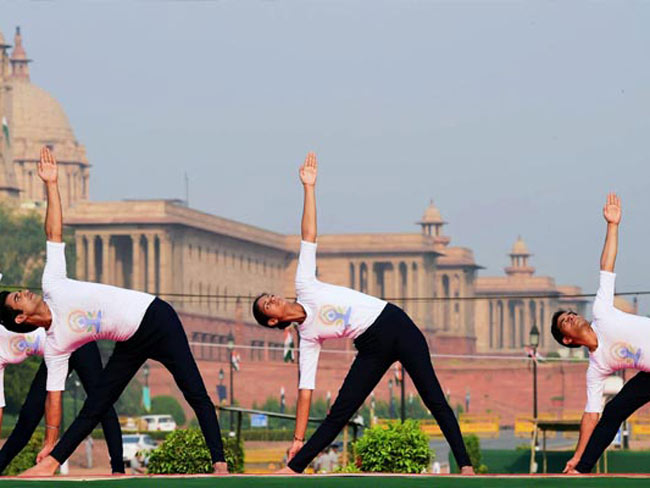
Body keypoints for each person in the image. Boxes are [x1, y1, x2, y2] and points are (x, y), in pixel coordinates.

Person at [3, 147, 227, 476]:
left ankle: (219, 463)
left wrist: (51, 184)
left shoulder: (53, 283)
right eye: (16, 300)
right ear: (20, 319)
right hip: (130, 341)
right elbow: (54, 398)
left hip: (156, 318)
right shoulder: (56, 345)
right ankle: (51, 464)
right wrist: (50, 441)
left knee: (194, 391)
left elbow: (53, 234)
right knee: (96, 404)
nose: (23, 293)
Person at [252, 152, 474, 475]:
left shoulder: (304, 284)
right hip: (370, 346)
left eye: (270, 296)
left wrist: (309, 188)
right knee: (339, 413)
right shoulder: (308, 338)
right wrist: (298, 437)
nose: (273, 299)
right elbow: (305, 391)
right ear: (273, 320)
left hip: (394, 323)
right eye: (267, 304)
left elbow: (309, 236)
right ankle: (294, 467)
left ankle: (465, 465)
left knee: (433, 398)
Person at [551, 193, 650, 474]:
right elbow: (591, 415)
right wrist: (577, 455)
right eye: (566, 322)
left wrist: (613, 225)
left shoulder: (601, 311)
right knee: (612, 413)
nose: (572, 317)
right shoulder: (597, 368)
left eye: (570, 314)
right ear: (568, 340)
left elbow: (607, 266)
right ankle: (582, 468)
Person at [0, 323, 124, 473]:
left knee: (101, 403)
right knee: (28, 415)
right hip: (54, 356)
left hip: (77, 340)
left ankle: (118, 468)